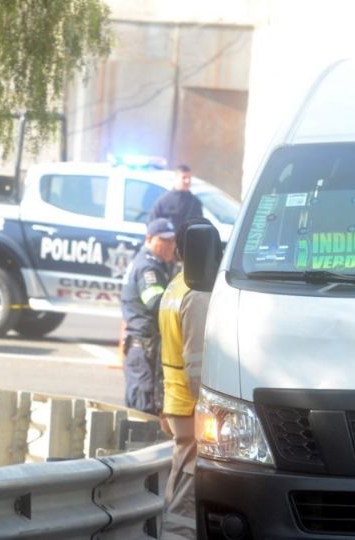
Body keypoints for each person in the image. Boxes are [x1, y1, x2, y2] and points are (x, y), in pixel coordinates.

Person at [158, 217, 212, 531]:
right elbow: (197, 363)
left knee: (179, 475)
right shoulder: (197, 292)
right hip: (191, 403)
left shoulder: (175, 286)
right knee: (187, 490)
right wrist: (210, 409)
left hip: (175, 399)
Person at [120, 218, 177, 414]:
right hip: (144, 350)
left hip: (143, 348)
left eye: (172, 241)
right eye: (165, 241)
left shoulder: (152, 263)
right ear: (149, 239)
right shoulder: (148, 268)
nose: (171, 245)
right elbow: (156, 303)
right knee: (144, 410)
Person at [149, 164, 203, 232]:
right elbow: (153, 225)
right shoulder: (164, 202)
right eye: (184, 178)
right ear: (176, 178)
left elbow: (199, 226)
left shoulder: (195, 203)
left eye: (189, 178)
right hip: (169, 240)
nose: (187, 181)